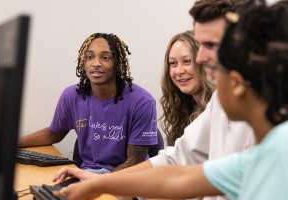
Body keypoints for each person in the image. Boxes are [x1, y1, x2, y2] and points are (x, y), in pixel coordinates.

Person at [53, 1, 288, 199]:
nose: (201, 57)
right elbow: (177, 168)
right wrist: (98, 183)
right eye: (173, 63)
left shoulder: (278, 149)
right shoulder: (253, 156)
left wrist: (102, 183)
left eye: (212, 46)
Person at [18, 33, 158, 173]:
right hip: (88, 173)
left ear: (117, 63)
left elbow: (135, 163)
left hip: (128, 178)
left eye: (105, 57)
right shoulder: (72, 96)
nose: (96, 63)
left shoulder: (142, 101)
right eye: (90, 57)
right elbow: (54, 133)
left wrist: (96, 183)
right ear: (83, 63)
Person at [160, 30, 214, 146]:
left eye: (187, 62)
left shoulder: (220, 107)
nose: (179, 71)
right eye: (173, 63)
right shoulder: (184, 109)